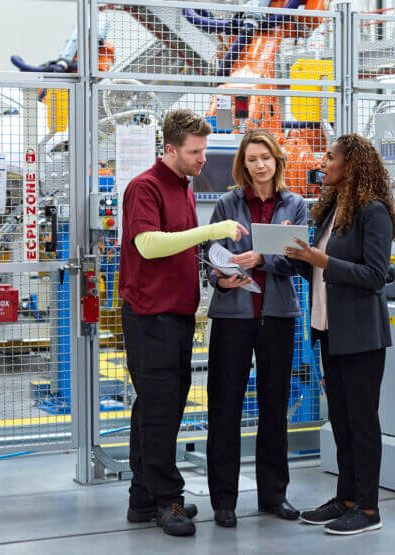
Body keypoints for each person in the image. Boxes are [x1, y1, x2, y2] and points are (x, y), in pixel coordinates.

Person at [119, 108, 247, 538]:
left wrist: (222, 266)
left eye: (204, 150)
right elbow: (150, 245)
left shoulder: (184, 188)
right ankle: (166, 498)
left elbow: (179, 249)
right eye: (195, 151)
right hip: (149, 314)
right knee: (160, 409)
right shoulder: (145, 188)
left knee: (161, 405)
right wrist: (211, 234)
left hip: (176, 313)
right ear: (169, 149)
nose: (201, 159)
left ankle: (142, 497)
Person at [283, 134, 395, 536]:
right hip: (329, 331)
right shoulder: (331, 209)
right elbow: (321, 273)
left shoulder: (374, 211)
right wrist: (298, 256)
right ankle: (346, 498)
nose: (323, 161)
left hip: (362, 336)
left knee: (362, 423)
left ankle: (368, 510)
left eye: (330, 156)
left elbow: (374, 275)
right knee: (342, 421)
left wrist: (322, 259)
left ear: (351, 165)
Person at [204, 129, 309, 528]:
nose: (259, 165)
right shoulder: (227, 204)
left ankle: (273, 495)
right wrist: (220, 277)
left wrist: (260, 260)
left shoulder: (295, 205)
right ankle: (224, 501)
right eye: (251, 159)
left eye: (265, 157)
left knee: (273, 409)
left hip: (278, 317)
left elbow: (298, 261)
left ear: (276, 160)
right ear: (242, 165)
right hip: (233, 318)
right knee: (225, 408)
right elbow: (208, 257)